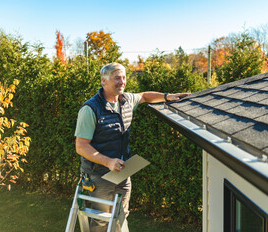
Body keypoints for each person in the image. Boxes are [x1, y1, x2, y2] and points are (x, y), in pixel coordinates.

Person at [75, 62, 190, 232]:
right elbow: (81, 146)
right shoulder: (90, 109)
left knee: (121, 216)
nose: (122, 82)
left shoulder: (126, 100)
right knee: (102, 221)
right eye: (117, 78)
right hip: (99, 175)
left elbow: (144, 96)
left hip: (123, 171)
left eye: (124, 77)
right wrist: (107, 162)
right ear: (104, 81)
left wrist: (167, 96)